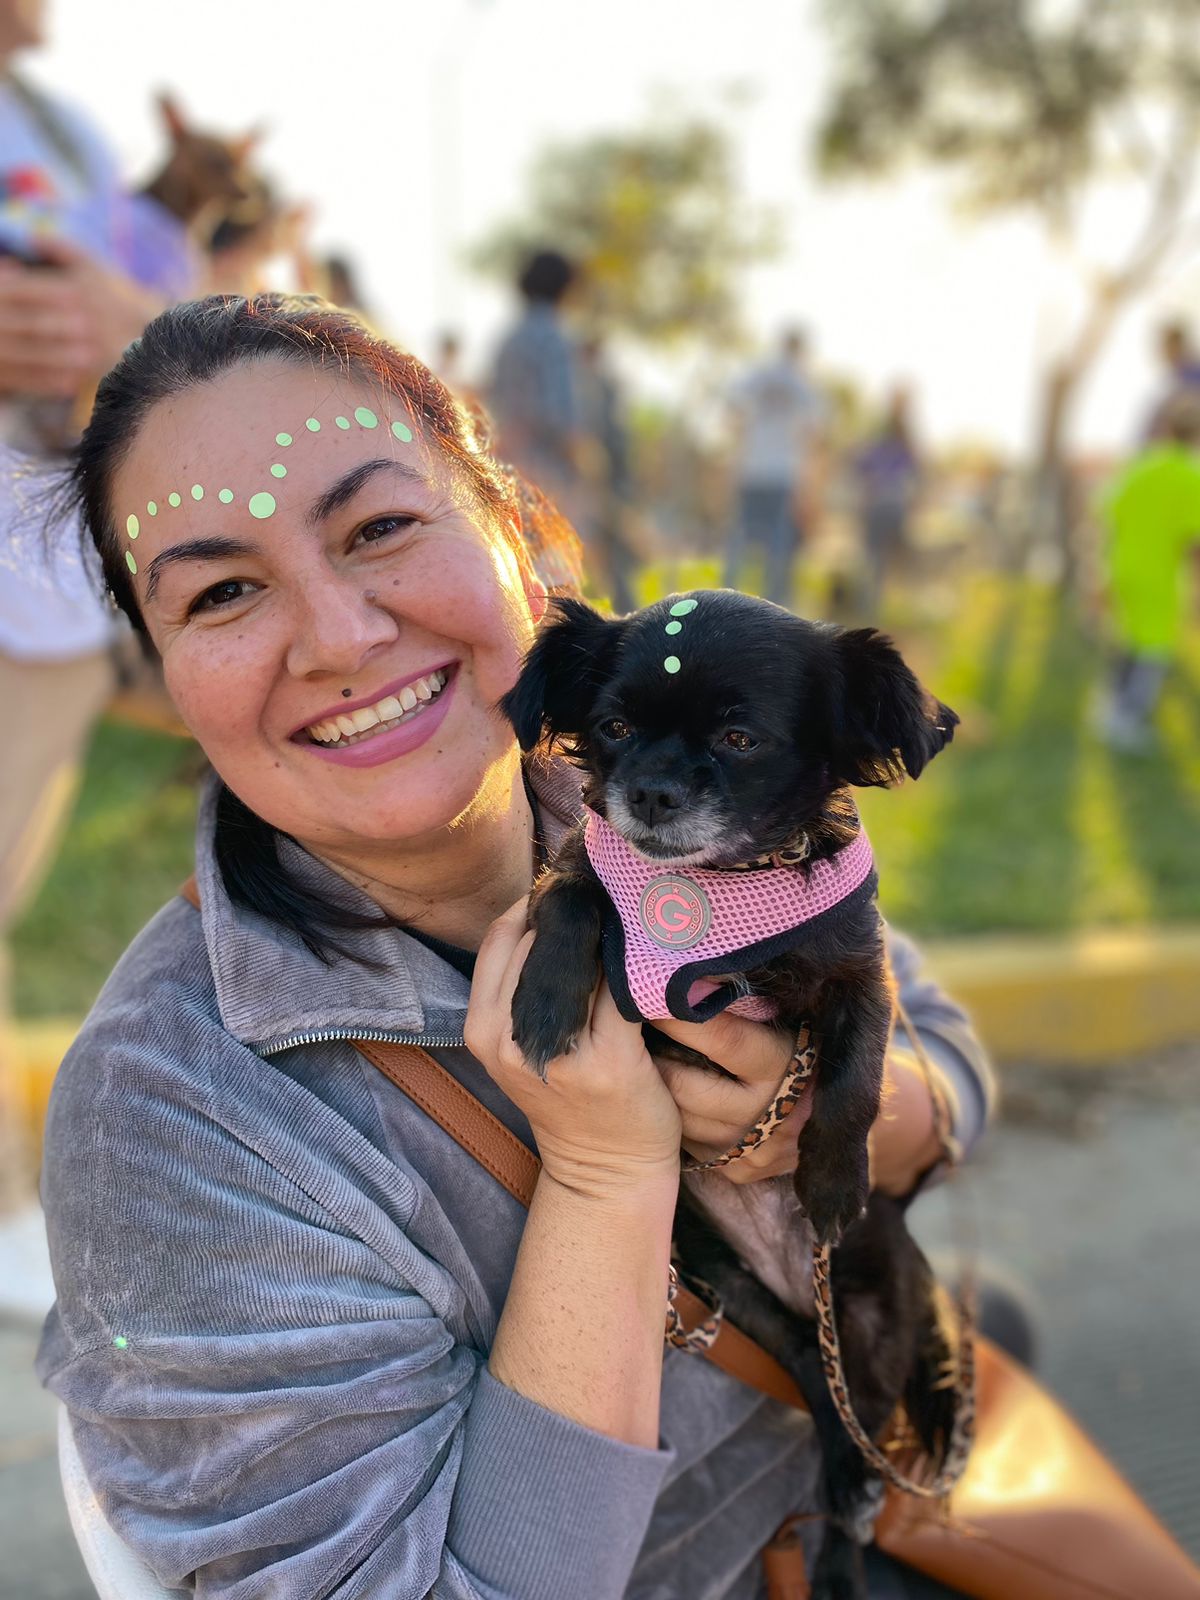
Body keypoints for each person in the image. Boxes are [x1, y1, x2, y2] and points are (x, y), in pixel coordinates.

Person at [37, 294, 994, 1599]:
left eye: (380, 526)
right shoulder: (169, 1121)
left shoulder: (634, 790)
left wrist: (827, 1122)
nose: (339, 637)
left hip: (889, 1481)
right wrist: (602, 1174)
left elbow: (937, 1046)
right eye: (221, 592)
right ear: (159, 676)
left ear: (523, 542)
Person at [1097, 391, 1200, 751]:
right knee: (1153, 650)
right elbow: (1194, 540)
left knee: (1128, 641)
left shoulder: (1140, 466)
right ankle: (1127, 723)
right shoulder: (1190, 474)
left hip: (1123, 566)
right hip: (1160, 575)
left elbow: (1109, 514)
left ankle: (1108, 712)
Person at [724, 327, 825, 609]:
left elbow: (733, 411)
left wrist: (739, 453)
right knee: (779, 548)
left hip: (751, 471)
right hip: (783, 474)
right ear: (800, 350)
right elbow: (813, 437)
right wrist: (810, 488)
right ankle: (773, 610)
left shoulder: (758, 375)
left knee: (740, 543)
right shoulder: (803, 383)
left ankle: (723, 602)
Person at [854, 385, 921, 616]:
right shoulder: (900, 438)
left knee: (874, 556)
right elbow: (914, 471)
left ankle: (871, 602)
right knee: (882, 556)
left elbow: (862, 467)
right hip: (890, 502)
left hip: (881, 502)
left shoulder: (883, 435)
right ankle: (873, 602)